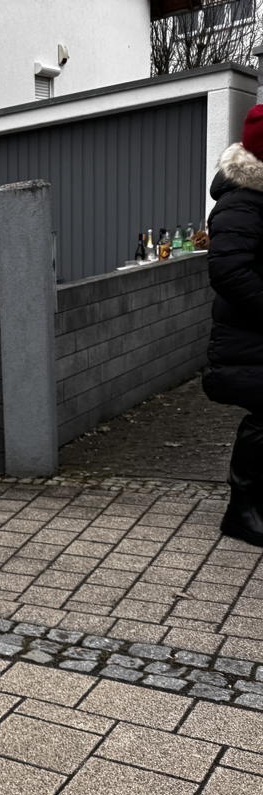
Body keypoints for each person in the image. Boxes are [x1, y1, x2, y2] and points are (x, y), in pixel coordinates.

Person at [204, 104, 263, 547]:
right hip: (249, 338)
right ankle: (240, 511)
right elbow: (228, 271)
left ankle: (249, 504)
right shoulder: (242, 199)